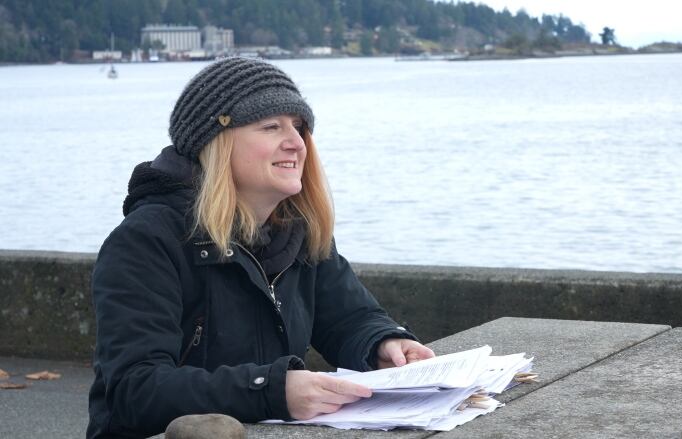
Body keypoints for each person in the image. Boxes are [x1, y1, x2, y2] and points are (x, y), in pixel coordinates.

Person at [87, 57, 435, 438]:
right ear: (215, 141)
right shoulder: (147, 241)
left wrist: (384, 343)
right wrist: (271, 390)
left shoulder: (298, 231)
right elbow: (135, 390)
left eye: (299, 127)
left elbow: (348, 319)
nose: (296, 143)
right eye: (271, 126)